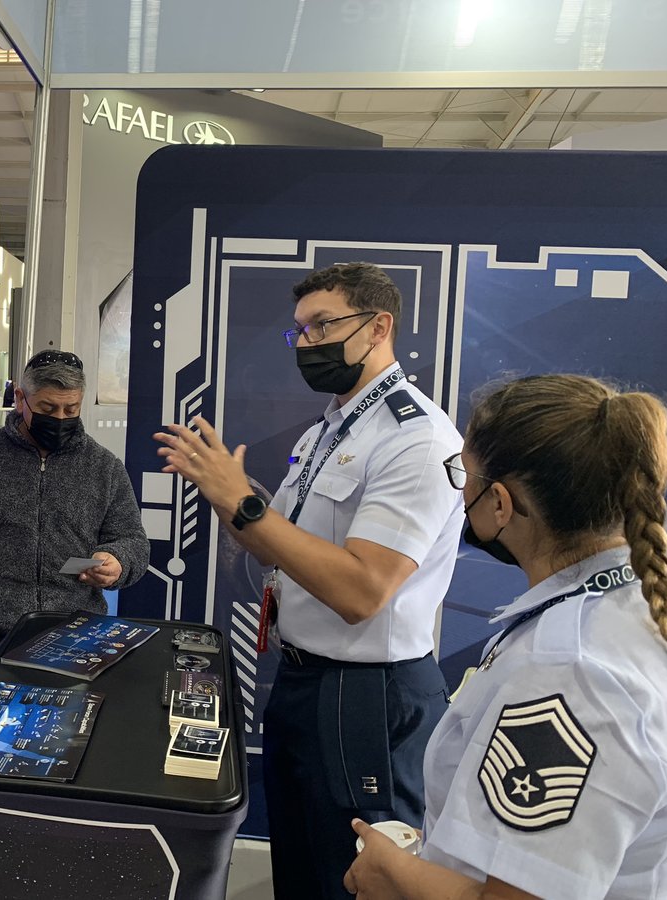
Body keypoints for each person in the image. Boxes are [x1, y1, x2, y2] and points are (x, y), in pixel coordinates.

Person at [154, 262, 463, 900]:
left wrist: (245, 505)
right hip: (303, 678)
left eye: (324, 325)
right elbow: (287, 548)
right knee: (299, 866)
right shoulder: (331, 426)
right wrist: (224, 498)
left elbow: (360, 592)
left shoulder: (415, 439)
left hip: (366, 694)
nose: (308, 343)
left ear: (380, 327)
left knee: (353, 879)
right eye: (299, 331)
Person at [343, 374, 667, 899]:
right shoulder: (625, 607)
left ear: (500, 503)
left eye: (463, 475)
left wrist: (390, 873)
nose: (461, 488)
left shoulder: (575, 673)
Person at [0, 349, 150, 706]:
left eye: (70, 409)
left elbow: (133, 540)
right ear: (21, 399)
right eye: (47, 408)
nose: (60, 418)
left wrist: (118, 561)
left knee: (64, 753)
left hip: (76, 642)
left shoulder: (104, 468)